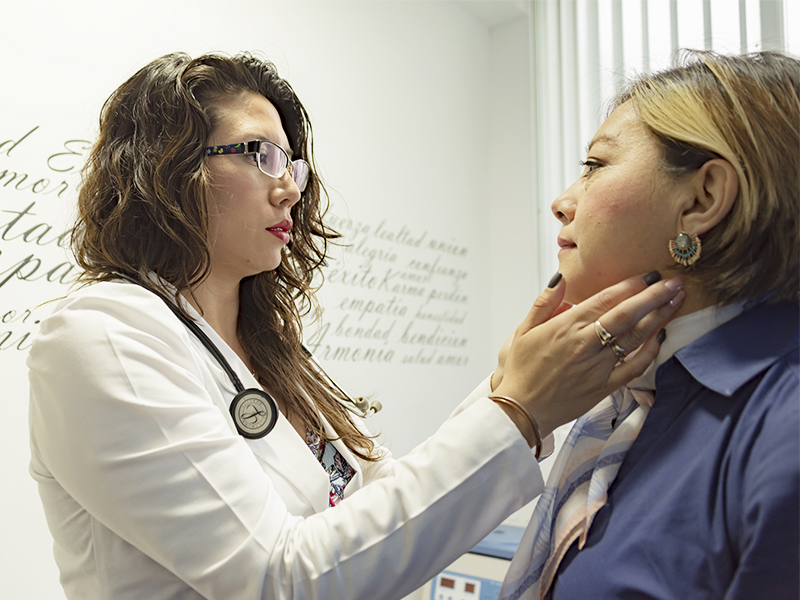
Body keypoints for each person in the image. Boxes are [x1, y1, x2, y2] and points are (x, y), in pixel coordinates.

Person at [27, 52, 684, 600]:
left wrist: (505, 385)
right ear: (165, 167)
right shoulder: (102, 337)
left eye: (293, 165)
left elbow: (380, 504)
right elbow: (278, 579)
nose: (289, 189)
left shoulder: (268, 354)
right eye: (260, 154)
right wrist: (517, 413)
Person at [500, 50, 800, 600]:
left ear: (702, 200)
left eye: (594, 167)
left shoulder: (784, 422)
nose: (562, 202)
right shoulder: (630, 395)